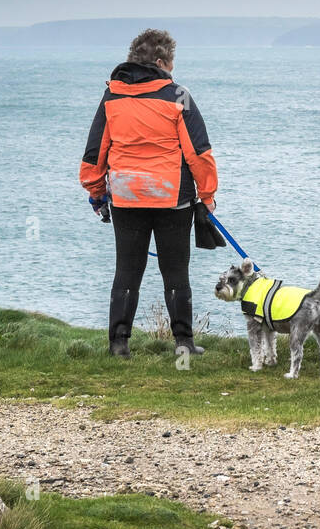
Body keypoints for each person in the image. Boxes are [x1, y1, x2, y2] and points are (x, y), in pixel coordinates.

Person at [79, 29, 218, 358]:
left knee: (127, 270)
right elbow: (199, 153)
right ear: (160, 62)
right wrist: (207, 196)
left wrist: (97, 193)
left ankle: (118, 345)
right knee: (175, 272)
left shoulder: (112, 96)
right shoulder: (177, 95)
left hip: (126, 196)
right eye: (171, 62)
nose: (173, 69)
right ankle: (183, 344)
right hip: (172, 198)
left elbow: (94, 152)